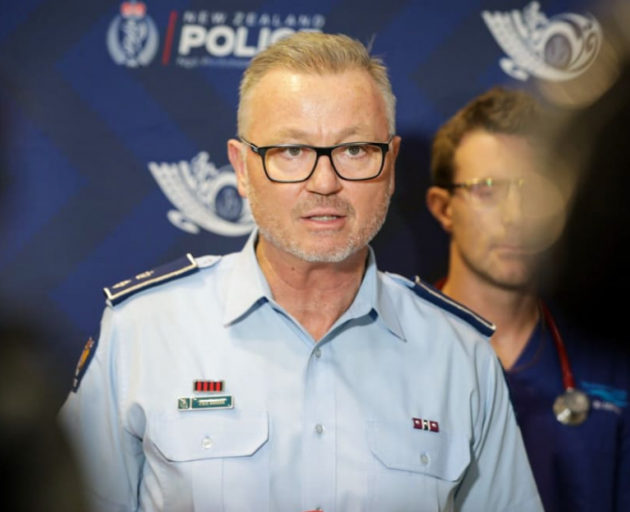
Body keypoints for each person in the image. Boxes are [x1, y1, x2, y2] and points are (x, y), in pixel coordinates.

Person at [59, 33, 542, 512]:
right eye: (291, 151)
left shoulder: (462, 354)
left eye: (355, 150)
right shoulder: (142, 333)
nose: (325, 182)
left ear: (390, 167)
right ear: (242, 169)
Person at [426, 85, 630, 512]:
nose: (517, 216)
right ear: (444, 208)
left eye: (536, 189)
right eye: (487, 189)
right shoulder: (391, 348)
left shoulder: (611, 358)